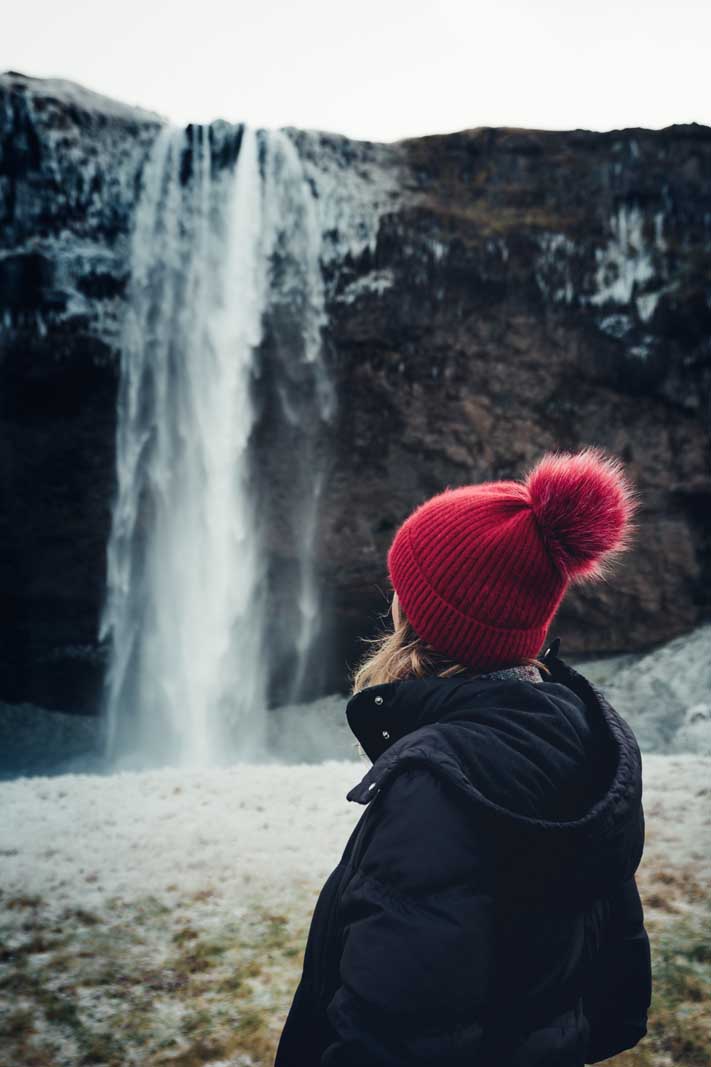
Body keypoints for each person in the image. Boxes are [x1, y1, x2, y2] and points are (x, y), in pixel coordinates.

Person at [274, 447, 652, 1067]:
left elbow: (387, 1034)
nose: (393, 595)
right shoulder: (581, 741)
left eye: (404, 585)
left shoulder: (437, 790)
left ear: (424, 620)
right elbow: (617, 995)